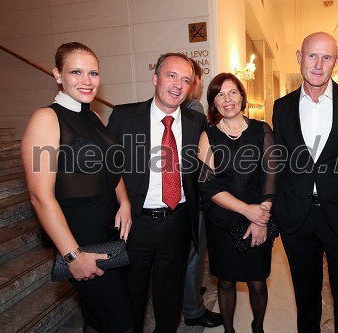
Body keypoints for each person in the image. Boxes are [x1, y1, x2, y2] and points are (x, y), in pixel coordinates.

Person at [21, 42, 134, 332]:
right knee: (121, 323)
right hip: (79, 238)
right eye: (76, 72)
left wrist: (124, 202)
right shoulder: (46, 118)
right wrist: (73, 256)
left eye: (93, 73)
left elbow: (112, 166)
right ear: (57, 74)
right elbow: (40, 197)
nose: (87, 81)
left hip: (108, 232)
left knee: (97, 319)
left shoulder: (94, 116)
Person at [107, 53, 207, 332]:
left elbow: (207, 170)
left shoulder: (195, 122)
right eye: (171, 75)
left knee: (170, 296)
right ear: (155, 78)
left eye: (185, 80)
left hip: (177, 222)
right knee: (132, 295)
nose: (178, 85)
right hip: (134, 224)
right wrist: (120, 203)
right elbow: (107, 168)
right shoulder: (124, 116)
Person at [272, 32, 338, 333]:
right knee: (306, 297)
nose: (319, 64)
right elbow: (280, 162)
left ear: (337, 60)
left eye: (327, 57)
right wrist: (278, 209)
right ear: (299, 56)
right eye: (312, 55)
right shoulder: (281, 106)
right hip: (297, 218)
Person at [198, 72, 277, 333]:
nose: (227, 99)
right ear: (214, 103)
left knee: (257, 282)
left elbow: (271, 176)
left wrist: (261, 217)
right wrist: (247, 211)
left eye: (232, 92)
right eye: (220, 94)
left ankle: (258, 327)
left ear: (242, 96)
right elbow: (208, 185)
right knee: (226, 282)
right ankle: (229, 330)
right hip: (222, 220)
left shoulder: (261, 130)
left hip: (260, 219)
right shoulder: (207, 137)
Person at [181, 58, 223, 328]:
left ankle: (191, 295)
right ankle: (193, 309)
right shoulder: (194, 109)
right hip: (195, 194)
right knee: (195, 254)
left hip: (186, 195)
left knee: (192, 255)